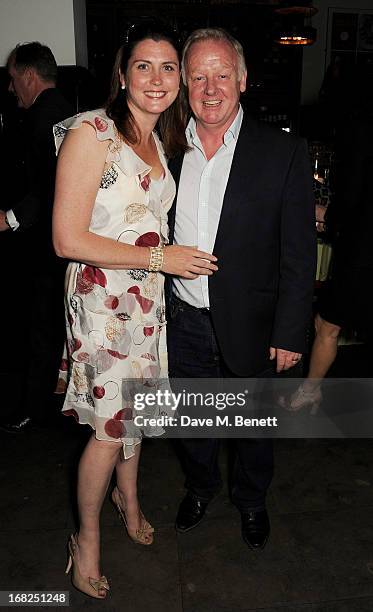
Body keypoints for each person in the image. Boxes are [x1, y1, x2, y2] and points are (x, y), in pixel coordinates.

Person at [52, 23, 217, 599]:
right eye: (142, 66)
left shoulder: (161, 142)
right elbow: (67, 239)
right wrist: (160, 256)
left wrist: (166, 264)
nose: (156, 78)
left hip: (145, 304)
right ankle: (87, 537)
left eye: (168, 67)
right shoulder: (90, 134)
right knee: (108, 429)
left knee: (139, 414)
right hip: (102, 308)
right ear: (121, 75)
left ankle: (131, 498)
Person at [167, 28, 316, 550]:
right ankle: (201, 487)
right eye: (198, 76)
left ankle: (251, 500)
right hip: (181, 319)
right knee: (193, 423)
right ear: (184, 84)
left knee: (253, 429)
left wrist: (291, 331)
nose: (211, 88)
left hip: (253, 322)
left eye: (222, 74)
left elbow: (298, 255)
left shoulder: (283, 152)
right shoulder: (162, 148)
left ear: (244, 80)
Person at [0, 42, 73, 433]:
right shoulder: (60, 110)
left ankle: (35, 410)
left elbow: (52, 185)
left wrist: (10, 218)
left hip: (47, 249)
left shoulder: (47, 117)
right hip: (48, 246)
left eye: (14, 79)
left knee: (41, 331)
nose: (12, 89)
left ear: (29, 76)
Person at [285, 96, 373, 412]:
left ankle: (310, 391)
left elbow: (351, 197)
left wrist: (326, 215)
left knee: (327, 324)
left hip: (362, 254)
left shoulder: (361, 126)